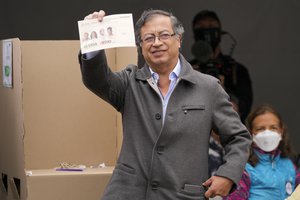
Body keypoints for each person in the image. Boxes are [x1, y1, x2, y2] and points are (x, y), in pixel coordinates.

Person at [79, 9, 252, 199]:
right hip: (129, 193)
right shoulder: (130, 83)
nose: (157, 43)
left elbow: (239, 137)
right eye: (149, 38)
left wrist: (228, 175)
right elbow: (97, 80)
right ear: (141, 46)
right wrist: (91, 39)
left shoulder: (208, 87)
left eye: (164, 35)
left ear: (179, 40)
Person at [224, 104, 300, 200]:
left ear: (281, 130)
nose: (267, 133)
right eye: (260, 128)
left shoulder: (291, 165)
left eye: (273, 128)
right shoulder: (243, 167)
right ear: (251, 133)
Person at [190, 10, 253, 123]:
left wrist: (223, 92)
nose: (206, 30)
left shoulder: (236, 70)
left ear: (219, 32)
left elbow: (244, 108)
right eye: (201, 27)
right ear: (195, 34)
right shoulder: (186, 69)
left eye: (211, 25)